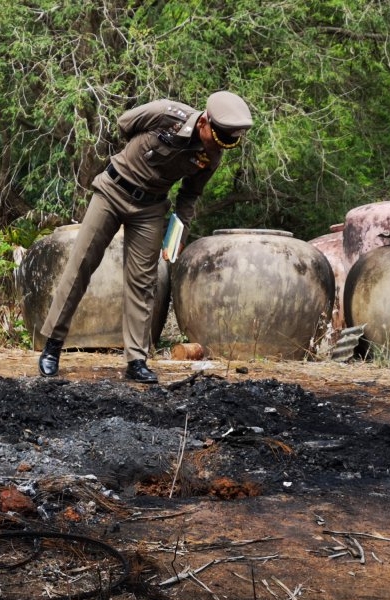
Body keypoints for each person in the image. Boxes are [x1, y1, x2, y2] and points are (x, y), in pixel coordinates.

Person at [37, 91, 253, 383]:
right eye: (214, 138)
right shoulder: (167, 115)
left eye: (223, 143)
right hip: (112, 191)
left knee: (143, 283)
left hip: (150, 209)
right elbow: (125, 124)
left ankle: (136, 360)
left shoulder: (211, 155)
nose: (216, 147)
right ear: (204, 121)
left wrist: (178, 234)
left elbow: (189, 195)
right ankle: (52, 346)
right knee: (80, 266)